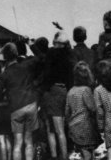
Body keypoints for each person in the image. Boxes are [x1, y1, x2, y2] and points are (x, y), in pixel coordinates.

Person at [0, 42, 43, 160]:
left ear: (5, 57)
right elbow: (41, 57)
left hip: (16, 108)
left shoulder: (4, 74)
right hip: (31, 105)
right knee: (29, 142)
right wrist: (31, 44)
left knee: (18, 143)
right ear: (16, 54)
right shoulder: (26, 65)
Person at [42, 30, 75, 160]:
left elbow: (47, 72)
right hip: (64, 90)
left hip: (52, 91)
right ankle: (64, 155)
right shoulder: (69, 55)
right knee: (61, 128)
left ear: (55, 41)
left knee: (52, 129)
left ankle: (57, 156)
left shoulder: (51, 53)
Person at [65, 62, 100, 160]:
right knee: (90, 155)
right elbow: (93, 108)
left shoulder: (70, 91)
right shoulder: (86, 90)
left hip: (74, 129)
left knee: (85, 154)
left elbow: (67, 112)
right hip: (86, 127)